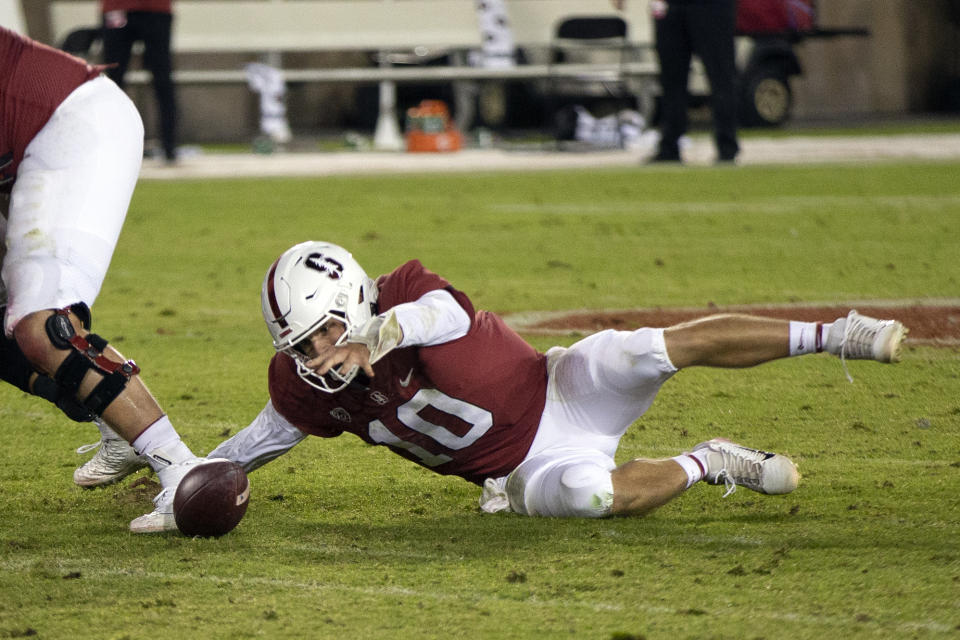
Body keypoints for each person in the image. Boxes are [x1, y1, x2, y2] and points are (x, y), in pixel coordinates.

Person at [67, 239, 906, 529]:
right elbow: (256, 445)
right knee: (581, 500)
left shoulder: (403, 299)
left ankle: (838, 334)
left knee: (636, 352)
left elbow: (441, 316)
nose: (318, 352)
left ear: (355, 302)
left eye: (326, 330)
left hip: (563, 389)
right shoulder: (309, 384)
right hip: (521, 469)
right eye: (301, 341)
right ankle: (711, 461)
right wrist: (185, 482)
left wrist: (382, 332)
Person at [0, 26, 203, 533]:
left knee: (40, 322)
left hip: (72, 123)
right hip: (32, 143)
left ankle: (183, 469)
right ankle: (112, 419)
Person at [613, 0, 740, 163]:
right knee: (670, 79)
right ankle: (670, 146)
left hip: (712, 6)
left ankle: (727, 147)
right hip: (669, 6)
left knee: (721, 76)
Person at [100, 0, 179, 164]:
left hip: (156, 11)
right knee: (112, 82)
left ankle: (169, 146)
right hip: (118, 10)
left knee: (162, 78)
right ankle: (108, 145)